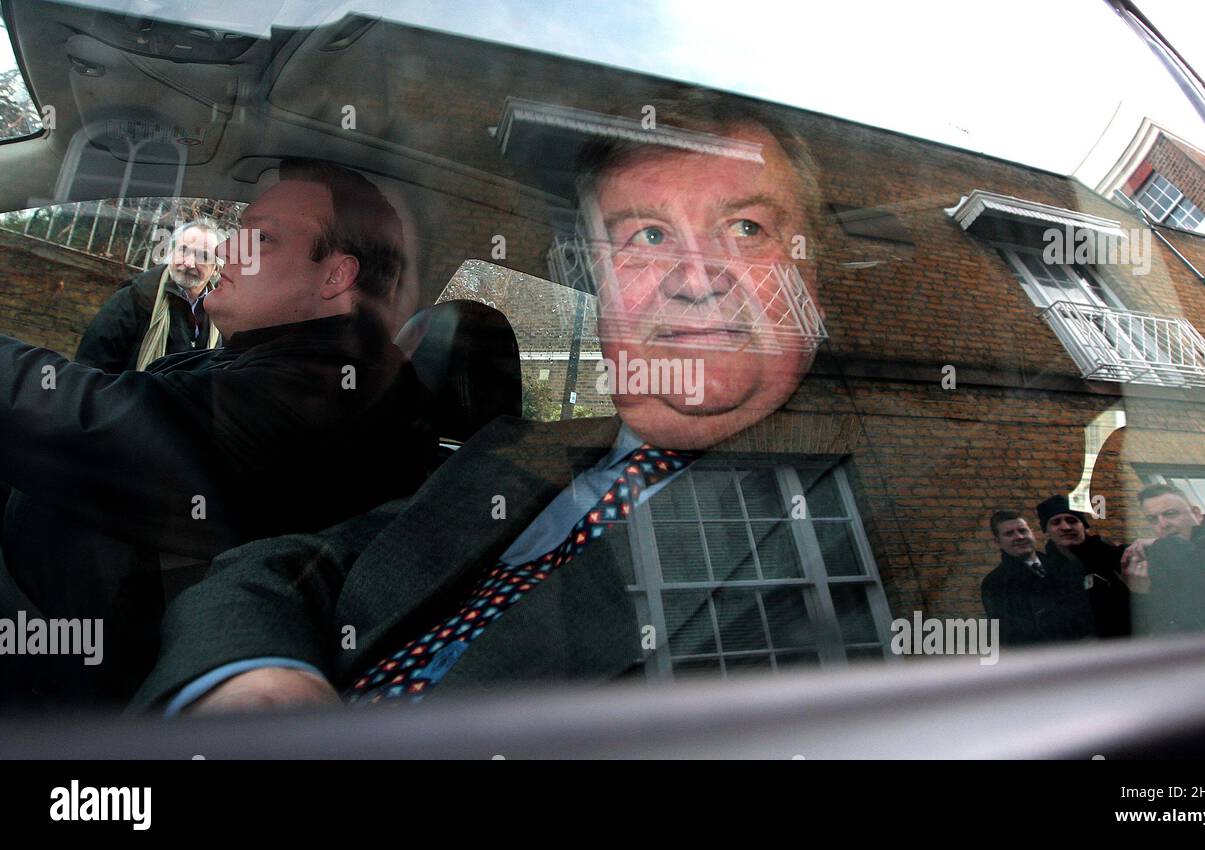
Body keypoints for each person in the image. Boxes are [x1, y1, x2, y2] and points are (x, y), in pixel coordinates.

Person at [133, 93, 835, 714]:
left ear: (815, 275)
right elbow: (283, 568)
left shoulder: (846, 516)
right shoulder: (516, 448)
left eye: (745, 228)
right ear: (602, 289)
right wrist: (248, 675)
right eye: (645, 237)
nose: (693, 277)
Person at [0, 159, 435, 709]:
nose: (229, 251)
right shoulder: (283, 360)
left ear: (335, 276)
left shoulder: (334, 392)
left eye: (263, 240)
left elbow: (101, 426)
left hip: (68, 673)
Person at [75, 220, 224, 373]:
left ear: (216, 269)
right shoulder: (133, 299)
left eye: (203, 256)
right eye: (183, 250)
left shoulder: (220, 319)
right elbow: (91, 367)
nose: (189, 263)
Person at [1119, 484, 1205, 635]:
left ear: (1197, 514)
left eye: (1170, 514)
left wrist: (1160, 544)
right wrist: (1140, 592)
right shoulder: (1156, 561)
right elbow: (1158, 625)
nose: (1163, 525)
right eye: (1153, 519)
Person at [980, 510, 1093, 646]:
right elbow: (1010, 635)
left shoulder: (1063, 565)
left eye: (1023, 530)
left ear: (1032, 533)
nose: (1019, 537)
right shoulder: (995, 583)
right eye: (1009, 534)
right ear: (998, 542)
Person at [1036, 495, 1130, 638]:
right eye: (1056, 522)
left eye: (1072, 521)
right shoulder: (1046, 571)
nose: (1066, 527)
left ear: (1084, 526)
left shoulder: (1112, 556)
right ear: (1046, 531)